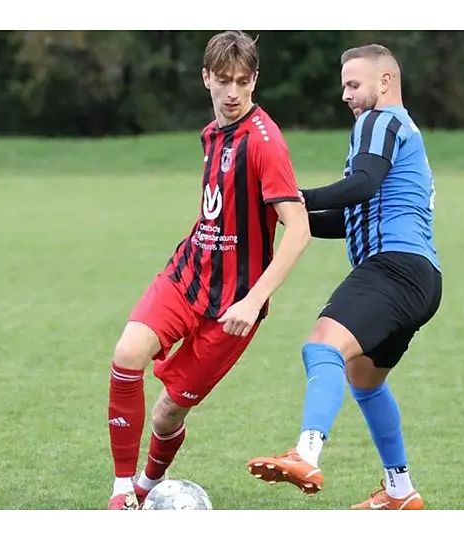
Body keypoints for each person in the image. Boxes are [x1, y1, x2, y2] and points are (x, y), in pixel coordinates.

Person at [106, 30, 310, 509]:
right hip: (186, 276)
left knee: (168, 413)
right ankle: (121, 491)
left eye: (242, 81)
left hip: (234, 307)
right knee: (127, 354)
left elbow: (298, 229)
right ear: (206, 78)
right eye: (223, 80)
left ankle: (148, 486)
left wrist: (254, 301)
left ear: (254, 80)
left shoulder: (265, 143)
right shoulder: (211, 133)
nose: (232, 92)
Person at [247, 44, 442, 510]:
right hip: (420, 277)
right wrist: (287, 216)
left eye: (353, 84)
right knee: (365, 382)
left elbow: (361, 185)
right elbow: (353, 214)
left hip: (393, 269)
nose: (346, 95)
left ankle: (306, 453)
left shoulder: (379, 122)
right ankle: (399, 490)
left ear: (385, 82)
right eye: (344, 86)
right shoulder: (401, 129)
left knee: (322, 346)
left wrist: (292, 196)